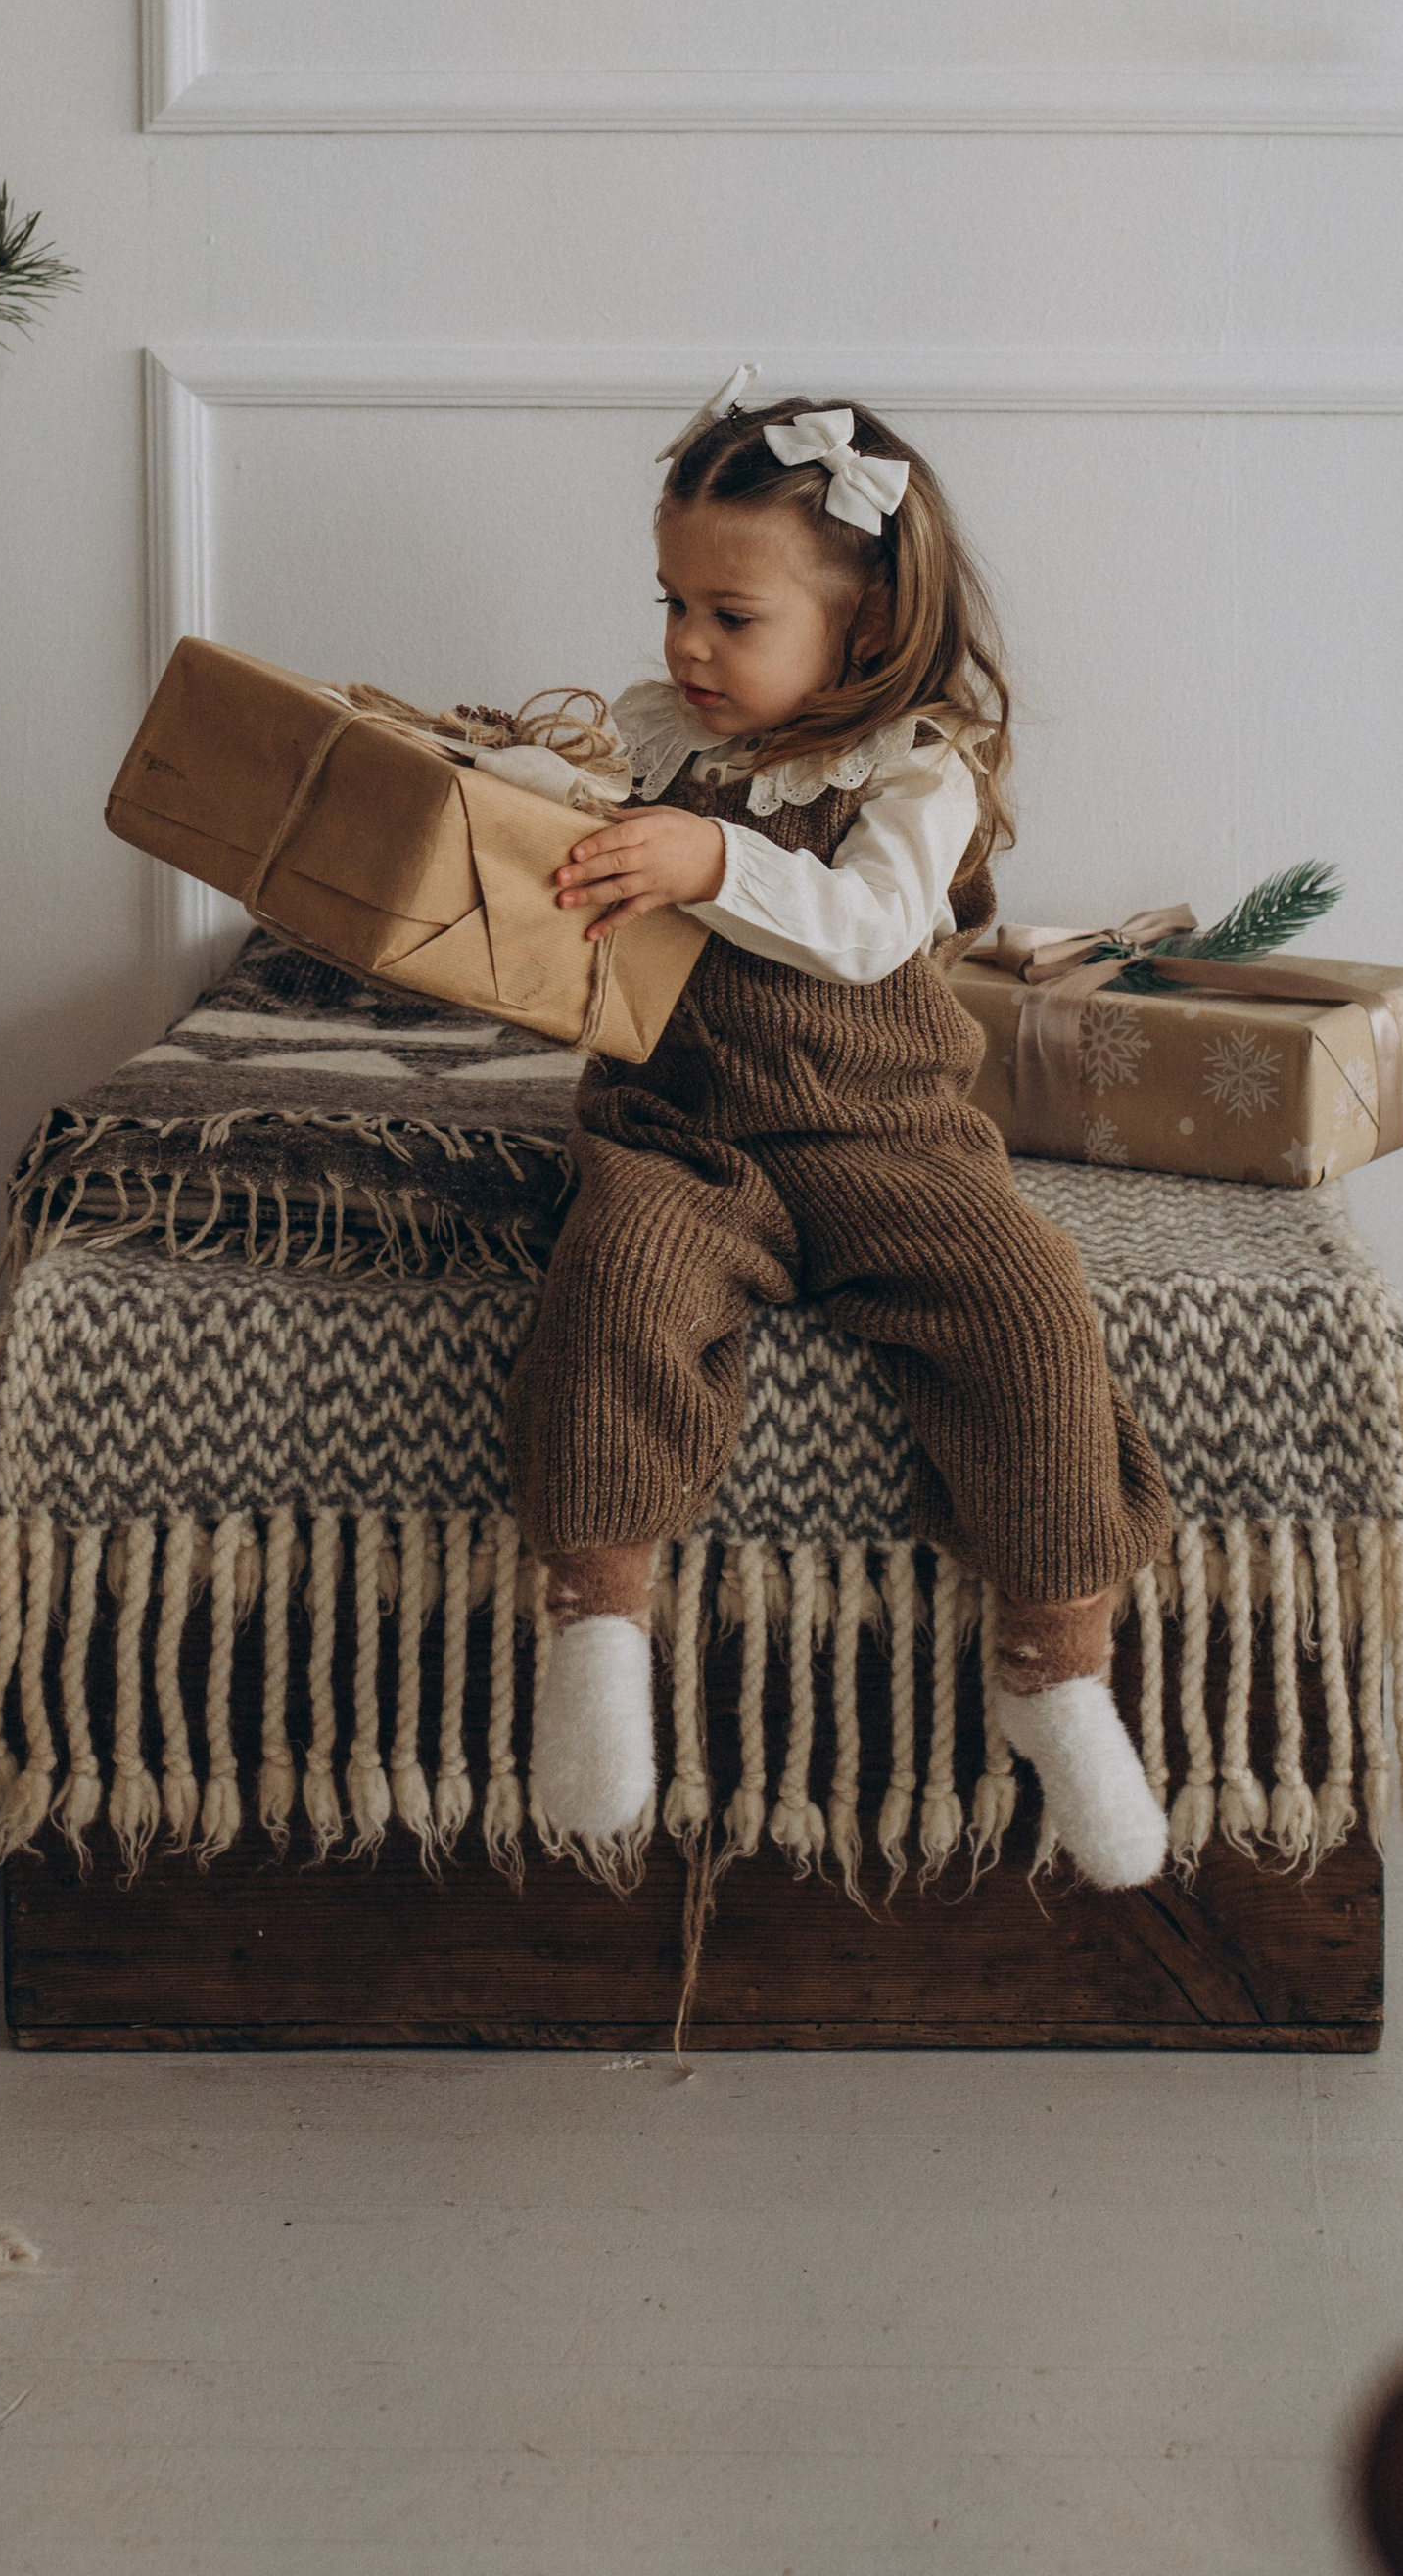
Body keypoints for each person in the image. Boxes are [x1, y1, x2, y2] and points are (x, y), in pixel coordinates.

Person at [500, 371, 1175, 1888]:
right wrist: (540, 809)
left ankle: (1055, 1667)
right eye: (672, 600)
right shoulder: (660, 736)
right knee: (616, 1280)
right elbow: (586, 843)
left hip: (884, 1135)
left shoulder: (919, 766)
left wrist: (706, 857)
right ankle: (597, 1629)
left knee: (1025, 1309)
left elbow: (869, 929)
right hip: (683, 1129)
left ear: (861, 625)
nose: (686, 643)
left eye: (732, 616)